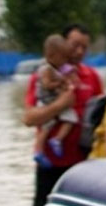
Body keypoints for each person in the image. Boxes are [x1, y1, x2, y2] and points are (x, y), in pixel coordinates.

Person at [23, 24, 104, 206]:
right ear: (62, 45)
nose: (79, 51)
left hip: (83, 163)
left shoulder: (92, 77)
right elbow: (29, 118)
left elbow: (101, 116)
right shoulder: (43, 76)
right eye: (75, 45)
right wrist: (60, 105)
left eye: (84, 47)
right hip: (50, 162)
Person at [32, 34, 79, 167]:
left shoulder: (56, 68)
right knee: (70, 119)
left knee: (47, 127)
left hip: (49, 101)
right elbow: (47, 85)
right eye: (63, 57)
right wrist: (60, 83)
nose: (65, 61)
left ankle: (40, 150)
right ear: (51, 56)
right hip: (47, 101)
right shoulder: (46, 69)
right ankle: (52, 142)